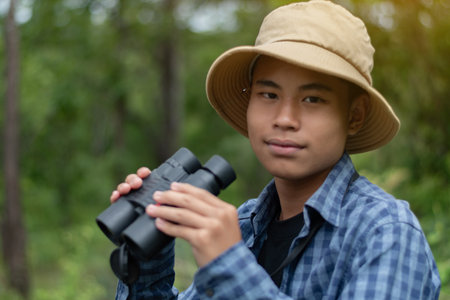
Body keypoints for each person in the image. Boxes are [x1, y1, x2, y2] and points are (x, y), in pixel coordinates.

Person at [110, 1, 441, 299]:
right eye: (268, 95)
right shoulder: (243, 226)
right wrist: (147, 259)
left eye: (312, 99)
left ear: (353, 116)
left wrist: (229, 266)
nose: (284, 119)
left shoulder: (384, 233)